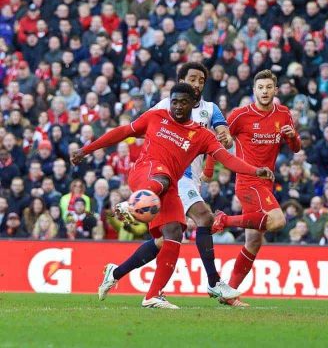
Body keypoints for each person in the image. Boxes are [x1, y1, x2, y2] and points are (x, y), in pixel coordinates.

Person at [71, 83, 273, 309]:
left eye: (183, 102)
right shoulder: (156, 116)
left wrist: (255, 170)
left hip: (168, 187)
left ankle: (150, 294)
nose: (177, 106)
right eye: (174, 101)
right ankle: (131, 205)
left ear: (193, 103)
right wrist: (86, 150)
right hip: (145, 172)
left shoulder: (202, 135)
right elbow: (122, 132)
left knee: (174, 233)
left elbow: (227, 159)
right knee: (164, 176)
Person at [96, 62, 241, 302]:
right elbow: (149, 128)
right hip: (173, 175)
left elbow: (220, 135)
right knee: (204, 218)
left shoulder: (211, 108)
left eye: (201, 81)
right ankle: (214, 282)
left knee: (165, 239)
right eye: (192, 79)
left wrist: (223, 140)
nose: (196, 84)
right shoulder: (167, 105)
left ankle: (117, 272)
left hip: (192, 178)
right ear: (182, 81)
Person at [203, 69, 301, 307]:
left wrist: (292, 136)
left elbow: (295, 148)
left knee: (254, 242)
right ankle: (224, 220)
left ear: (275, 90)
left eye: (269, 88)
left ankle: (230, 294)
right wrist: (209, 169)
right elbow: (216, 140)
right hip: (247, 180)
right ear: (254, 90)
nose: (265, 92)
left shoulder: (284, 114)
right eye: (260, 88)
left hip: (266, 182)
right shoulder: (240, 115)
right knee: (277, 220)